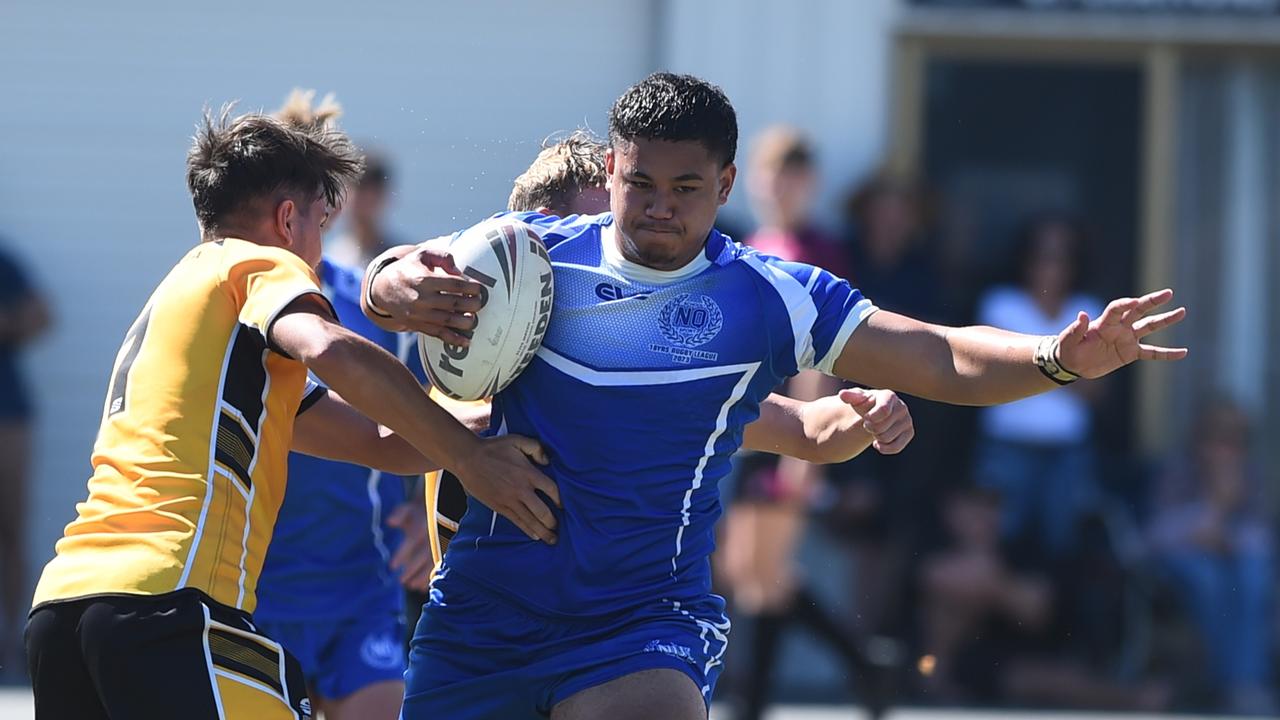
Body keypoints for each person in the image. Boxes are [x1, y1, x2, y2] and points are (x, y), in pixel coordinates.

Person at [366, 73, 1186, 720]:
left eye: (685, 188)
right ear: (610, 167)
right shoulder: (532, 260)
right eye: (639, 181)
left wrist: (1057, 357)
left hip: (640, 624)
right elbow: (400, 272)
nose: (657, 208)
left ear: (725, 183)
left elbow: (933, 354)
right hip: (482, 618)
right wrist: (393, 284)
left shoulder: (769, 297)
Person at [24, 97, 557, 720]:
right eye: (318, 230)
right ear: (286, 220)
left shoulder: (189, 308)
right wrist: (470, 459)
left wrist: (483, 430)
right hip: (168, 605)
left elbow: (375, 443)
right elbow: (329, 348)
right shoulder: (258, 264)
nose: (318, 256)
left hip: (64, 610)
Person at [426, 131, 916, 579]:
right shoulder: (467, 381)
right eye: (589, 241)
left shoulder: (638, 373)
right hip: (500, 640)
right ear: (532, 251)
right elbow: (382, 431)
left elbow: (802, 427)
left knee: (759, 579)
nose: (615, 263)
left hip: (613, 640)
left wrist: (863, 417)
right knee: (759, 578)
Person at [253, 93, 432, 720]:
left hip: (362, 589)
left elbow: (430, 418)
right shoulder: (229, 303)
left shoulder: (376, 305)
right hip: (251, 597)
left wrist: (424, 518)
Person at [718, 126, 886, 720]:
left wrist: (803, 456)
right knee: (748, 572)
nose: (779, 188)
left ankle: (754, 703)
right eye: (770, 176)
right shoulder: (756, 242)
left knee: (764, 576)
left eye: (791, 177)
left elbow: (822, 359)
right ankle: (864, 663)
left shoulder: (820, 250)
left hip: (793, 428)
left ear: (809, 184)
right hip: (752, 423)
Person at [972, 215, 1106, 561]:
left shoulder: (1089, 311)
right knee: (998, 544)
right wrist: (1068, 366)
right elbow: (987, 376)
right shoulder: (999, 304)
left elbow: (1095, 393)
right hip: (1006, 446)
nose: (1051, 266)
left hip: (1067, 451)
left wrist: (1034, 364)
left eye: (1061, 257)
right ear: (1025, 259)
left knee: (1063, 546)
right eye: (1043, 255)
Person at [1148, 397, 1275, 715]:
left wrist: (1222, 535)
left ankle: (1245, 683)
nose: (1225, 450)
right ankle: (1223, 683)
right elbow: (1158, 537)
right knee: (1210, 579)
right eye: (1218, 438)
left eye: (1235, 441)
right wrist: (1218, 507)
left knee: (1253, 576)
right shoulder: (1176, 471)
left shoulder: (1250, 476)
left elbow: (1260, 539)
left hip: (1233, 563)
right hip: (1178, 566)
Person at [0, 241, 51, 679]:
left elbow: (41, 316)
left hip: (7, 415)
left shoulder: (3, 259)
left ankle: (11, 640)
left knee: (10, 529)